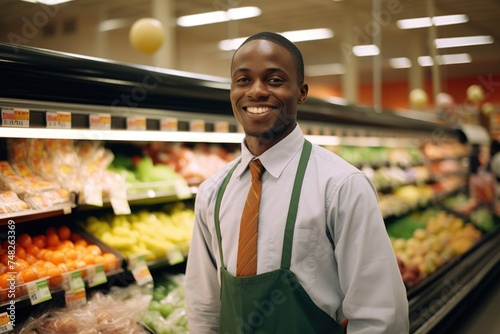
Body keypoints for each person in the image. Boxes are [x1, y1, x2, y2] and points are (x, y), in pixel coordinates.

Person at [185, 31, 409, 333]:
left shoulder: (341, 186)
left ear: (302, 92)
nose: (257, 91)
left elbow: (381, 314)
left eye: (275, 80)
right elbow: (204, 304)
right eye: (243, 80)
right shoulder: (212, 192)